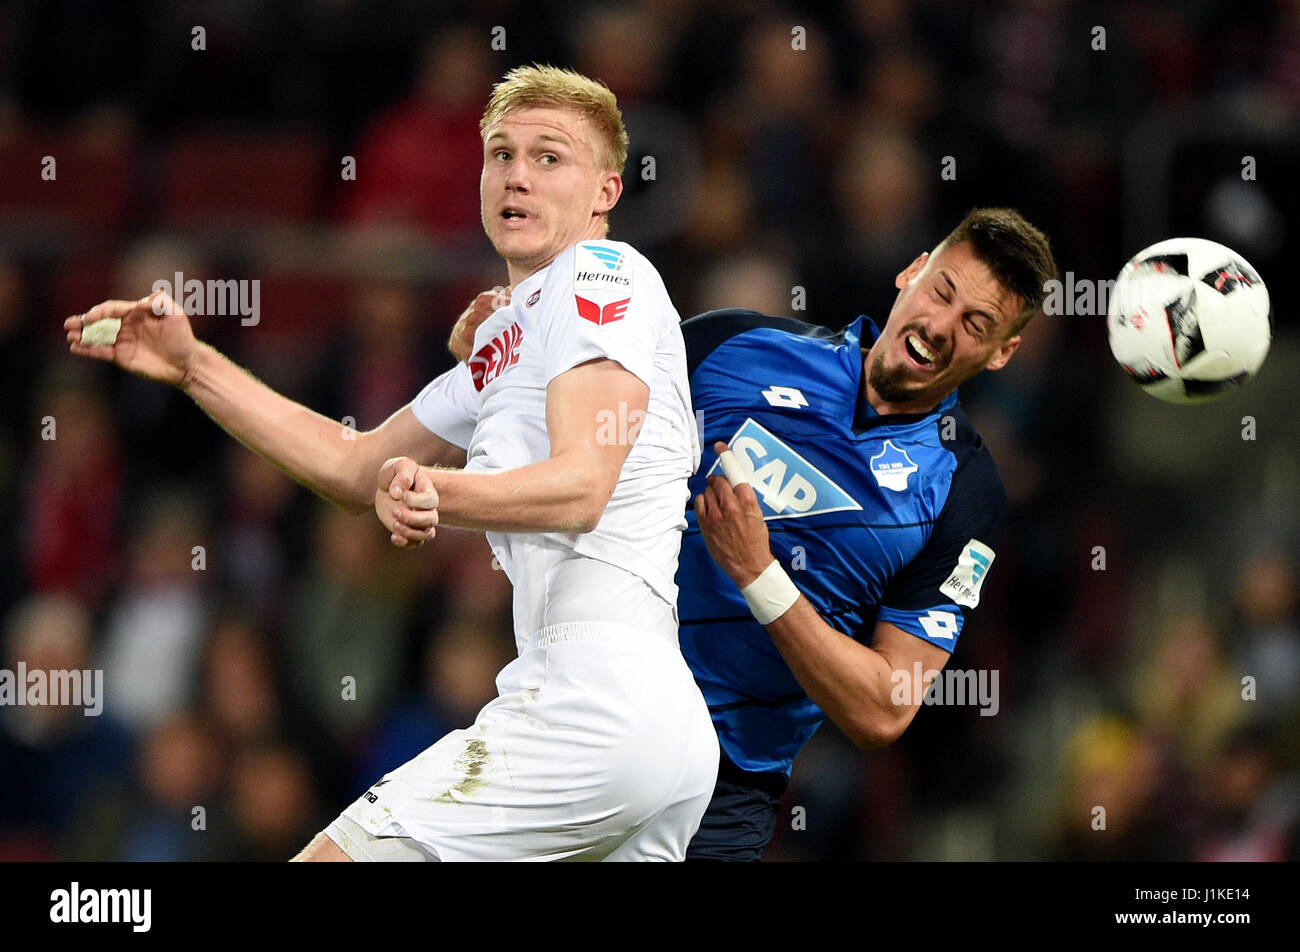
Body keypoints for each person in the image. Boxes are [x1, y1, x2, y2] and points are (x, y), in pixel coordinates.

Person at [65, 64, 717, 862]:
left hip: (594, 704)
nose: (517, 174)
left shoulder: (599, 274)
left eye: (550, 157)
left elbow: (584, 487)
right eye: (500, 154)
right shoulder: (506, 341)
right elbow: (352, 466)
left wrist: (440, 490)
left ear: (606, 192)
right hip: (649, 726)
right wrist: (195, 364)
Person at [442, 206, 1056, 860]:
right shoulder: (731, 345)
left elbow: (884, 708)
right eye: (942, 291)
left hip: (723, 788)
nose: (940, 326)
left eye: (976, 324)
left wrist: (760, 578)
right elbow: (571, 443)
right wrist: (499, 365)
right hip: (579, 712)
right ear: (913, 272)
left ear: (1002, 353)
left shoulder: (965, 491)